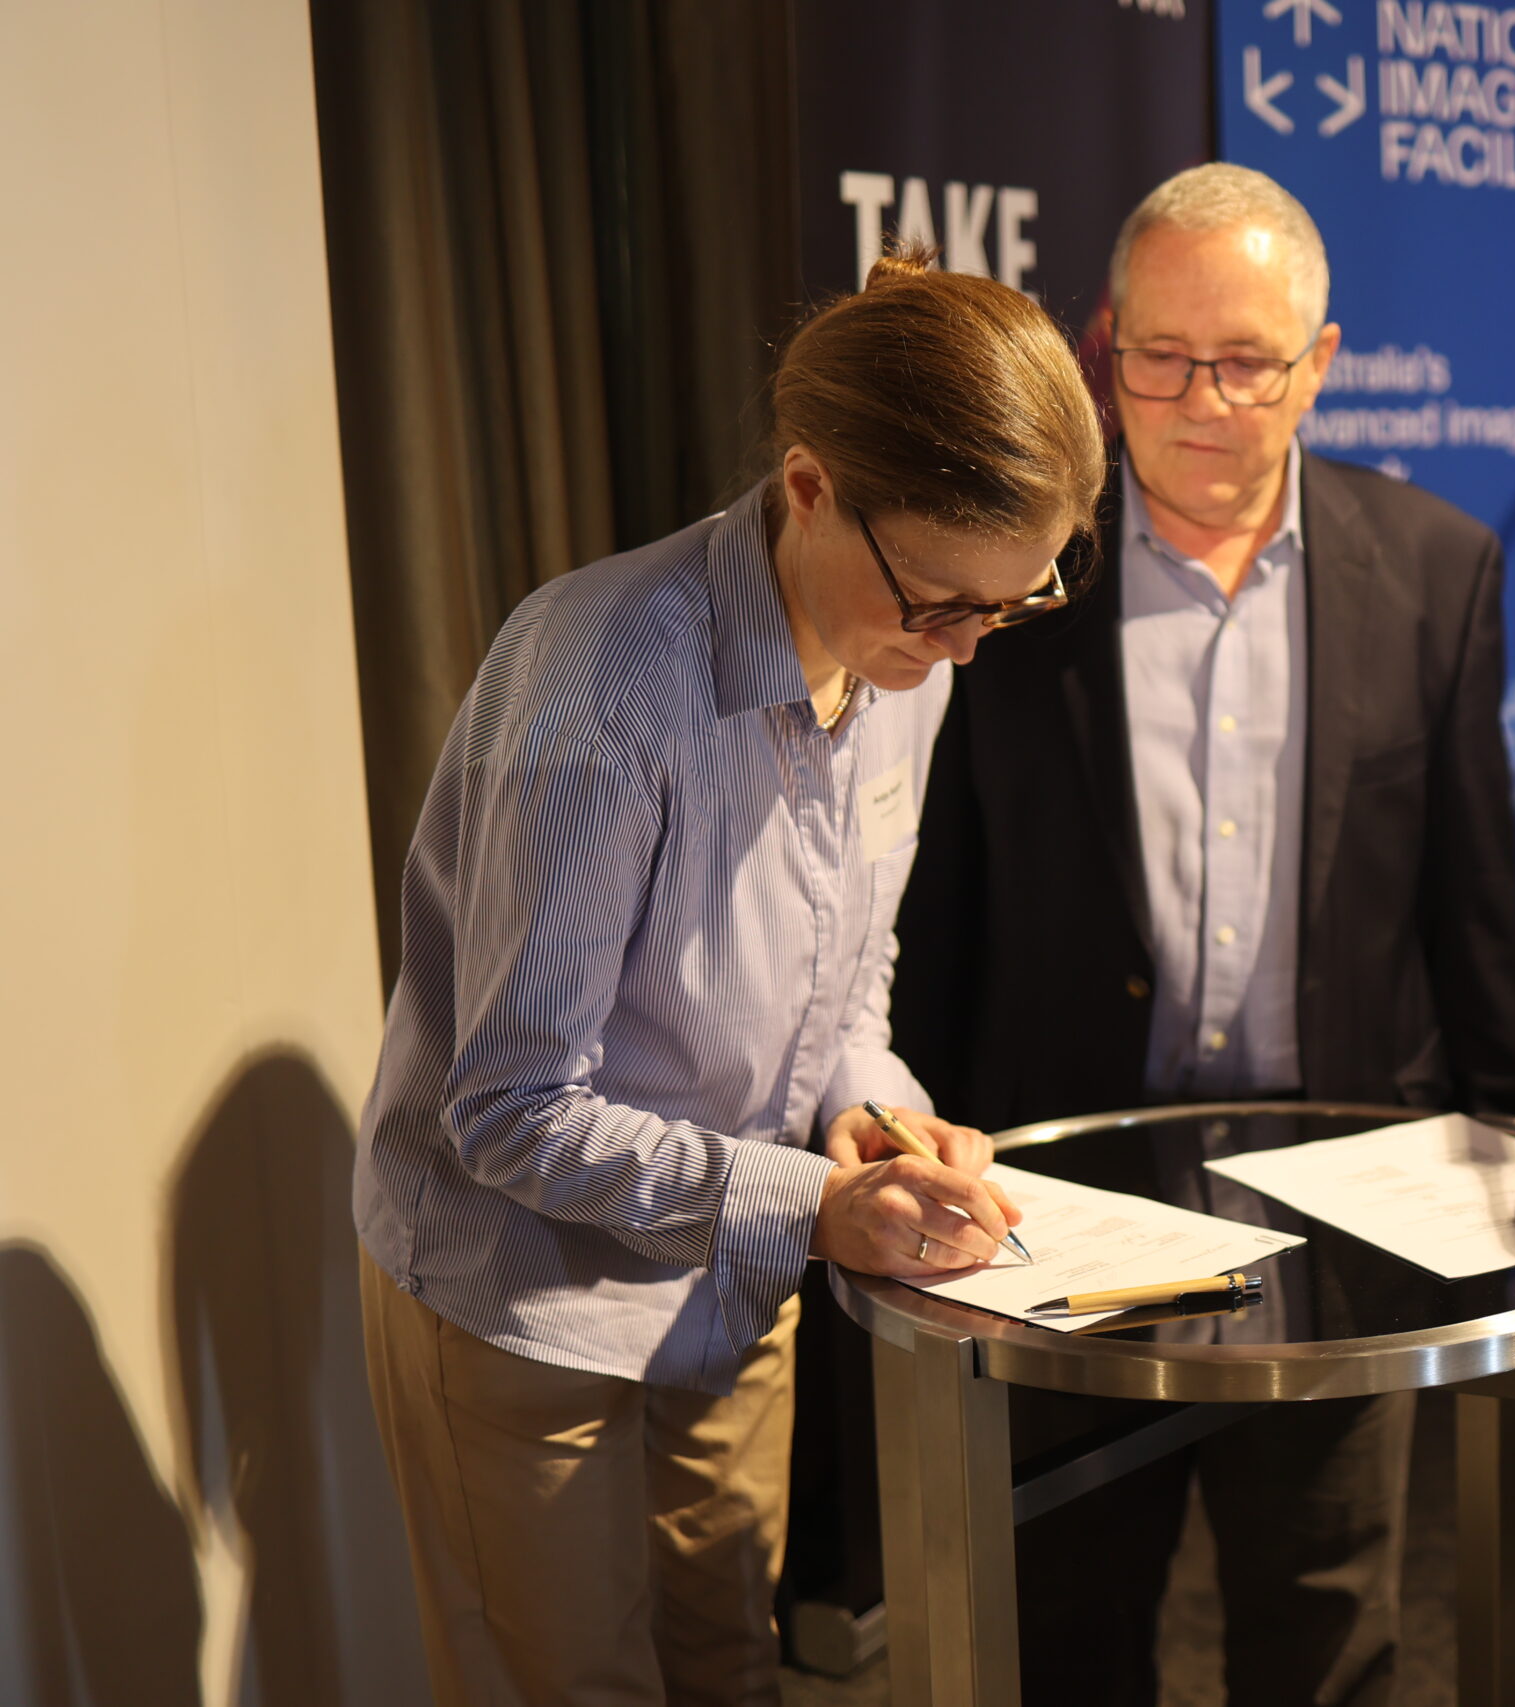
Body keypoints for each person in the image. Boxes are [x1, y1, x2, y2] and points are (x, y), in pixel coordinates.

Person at [351, 249, 1106, 1707]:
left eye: (1003, 610)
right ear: (812, 485)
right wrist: (819, 1210)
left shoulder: (911, 660)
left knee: (732, 1667)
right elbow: (504, 1108)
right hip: (525, 1299)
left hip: (726, 1269)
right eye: (940, 603)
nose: (958, 648)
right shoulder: (607, 690)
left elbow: (849, 958)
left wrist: (875, 1109)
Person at [895, 164, 1515, 1707]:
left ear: (1318, 363)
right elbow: (937, 915)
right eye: (1160, 358)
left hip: (1341, 1210)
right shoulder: (1010, 573)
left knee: (1327, 1626)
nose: (1200, 401)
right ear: (1104, 346)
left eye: (1245, 362)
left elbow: (1473, 902)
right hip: (1059, 1213)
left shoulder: (1436, 572)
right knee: (1064, 1618)